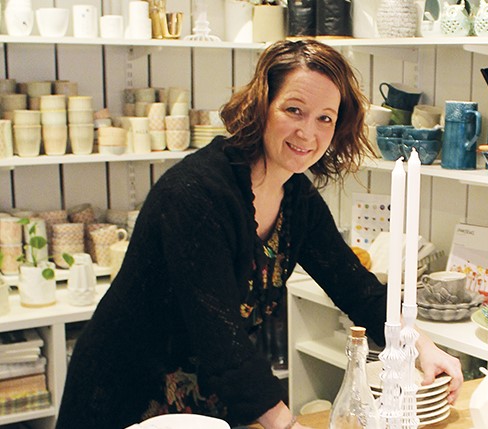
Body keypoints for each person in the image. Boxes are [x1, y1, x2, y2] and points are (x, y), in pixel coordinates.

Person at [56, 39, 462, 429]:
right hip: (125, 391)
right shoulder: (196, 194)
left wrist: (422, 347)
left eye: (325, 118)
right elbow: (221, 339)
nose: (308, 132)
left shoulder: (295, 197)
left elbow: (356, 288)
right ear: (262, 106)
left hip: (204, 394)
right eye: (294, 110)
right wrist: (287, 424)